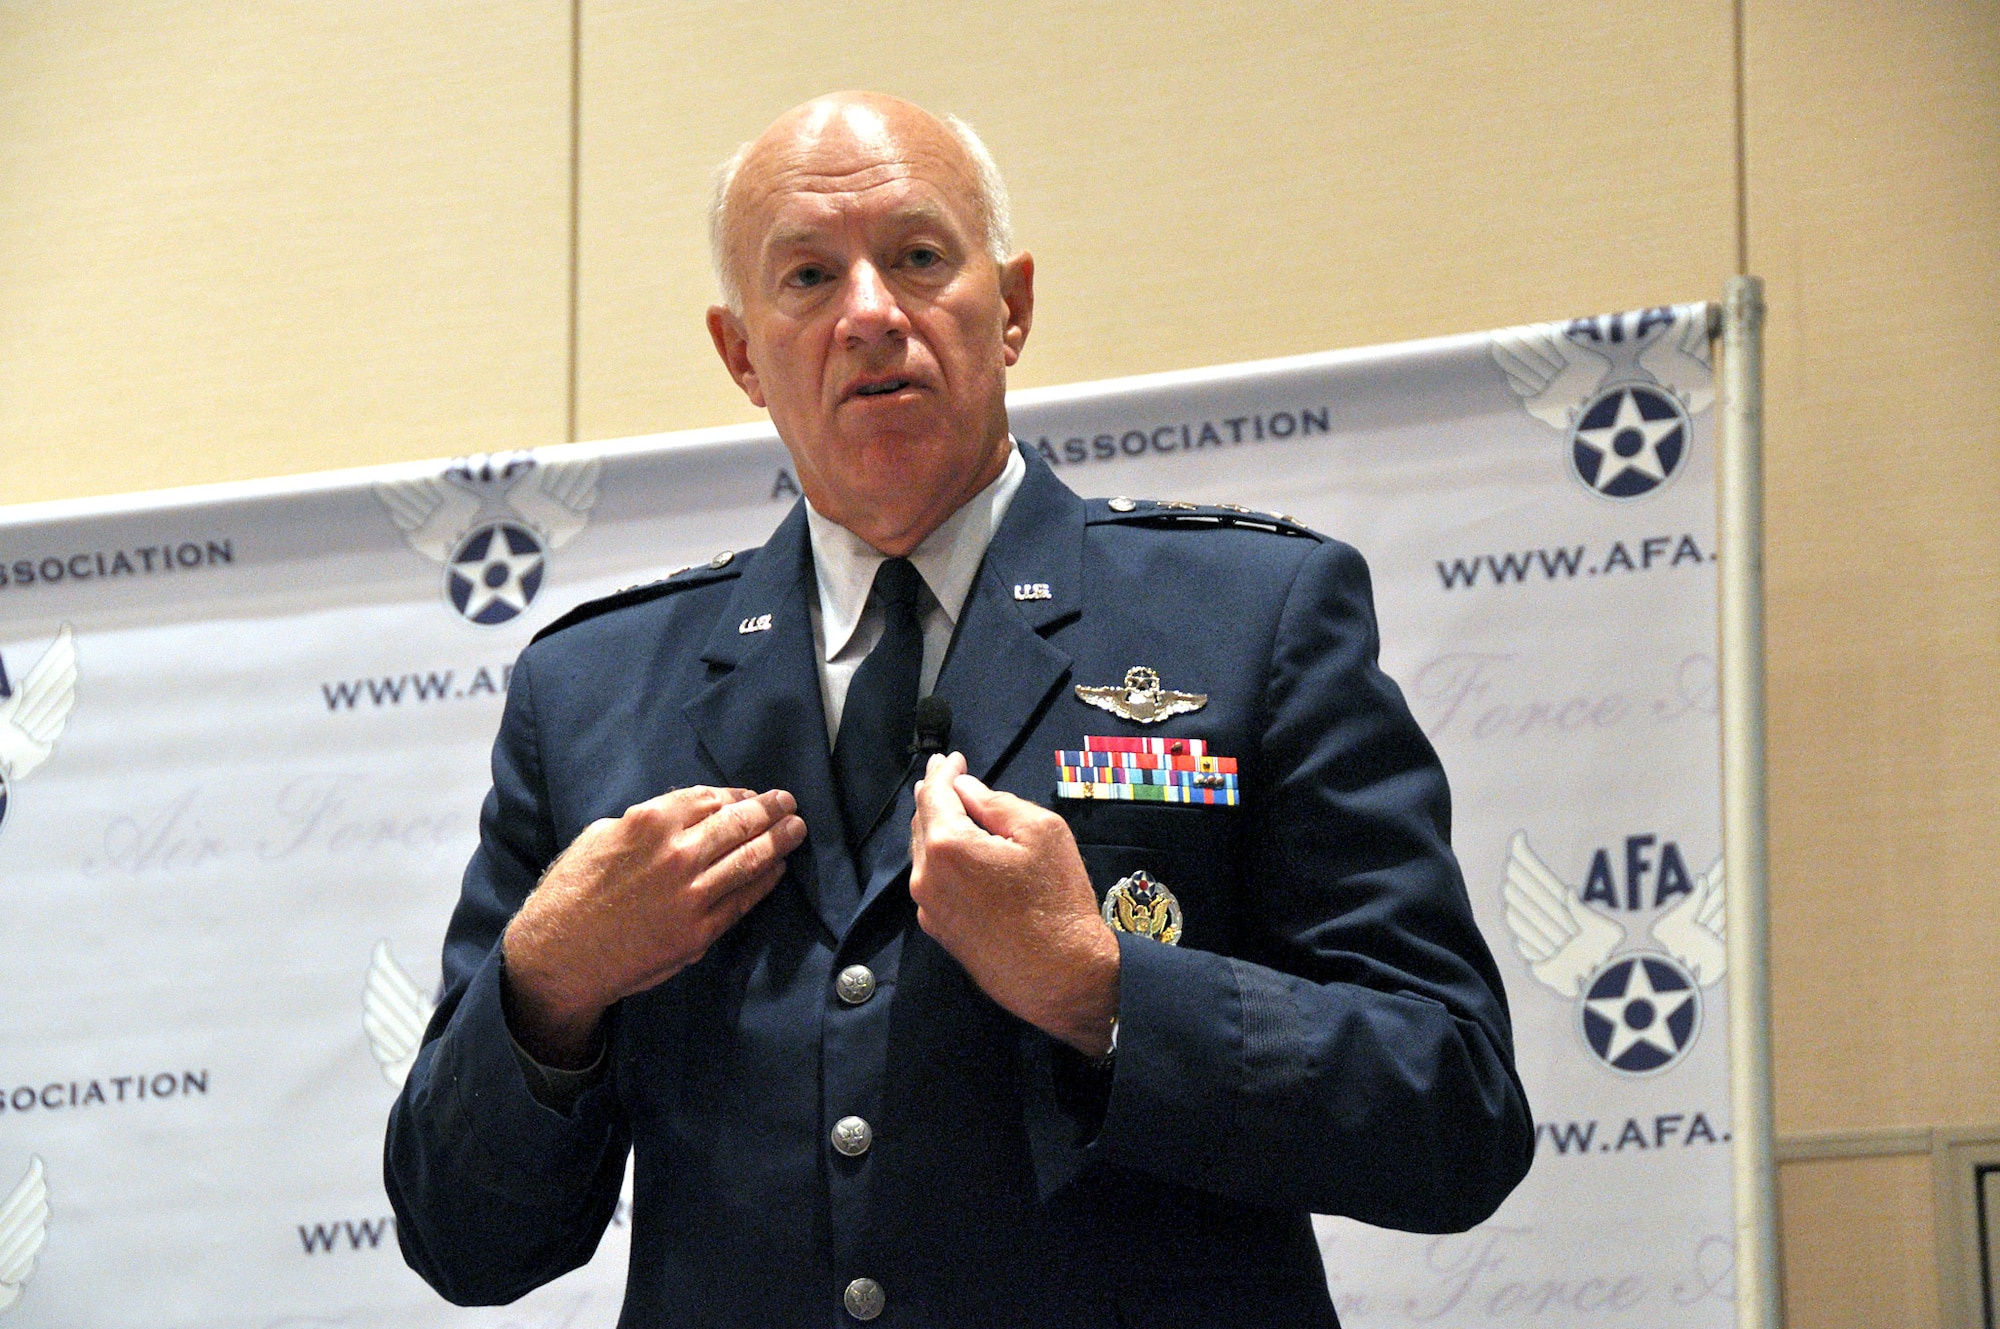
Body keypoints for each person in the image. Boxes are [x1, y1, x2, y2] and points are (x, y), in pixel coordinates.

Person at [385, 91, 1532, 1327]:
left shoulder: (1250, 619)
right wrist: (548, 985)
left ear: (1012, 308)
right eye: (809, 277)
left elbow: (1454, 1114)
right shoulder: (595, 692)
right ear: (739, 355)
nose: (870, 313)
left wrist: (1105, 990)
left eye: (919, 258)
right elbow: (463, 1241)